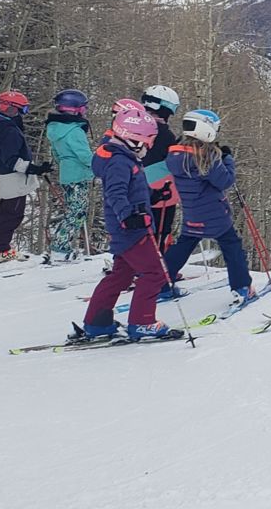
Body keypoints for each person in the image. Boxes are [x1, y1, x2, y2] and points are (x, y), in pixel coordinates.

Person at [80, 98, 173, 341]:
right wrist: (129, 217)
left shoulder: (123, 156)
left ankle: (97, 322)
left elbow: (133, 189)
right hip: (131, 230)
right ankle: (142, 322)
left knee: (121, 276)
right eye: (147, 142)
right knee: (155, 274)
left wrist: (153, 194)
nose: (149, 147)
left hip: (129, 227)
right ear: (132, 137)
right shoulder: (120, 161)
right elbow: (116, 194)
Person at [159, 108, 254, 304]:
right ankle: (242, 287)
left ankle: (161, 284)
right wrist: (227, 159)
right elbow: (225, 181)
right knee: (232, 246)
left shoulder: (175, 154)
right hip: (214, 214)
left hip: (191, 212)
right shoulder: (206, 155)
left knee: (184, 245)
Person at [0, 90, 47, 263]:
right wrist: (33, 168)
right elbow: (10, 160)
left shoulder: (2, 125)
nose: (23, 114)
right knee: (11, 215)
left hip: (11, 178)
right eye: (22, 110)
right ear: (12, 109)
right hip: (14, 179)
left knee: (7, 213)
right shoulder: (9, 130)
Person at [45, 89, 95, 263]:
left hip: (67, 173)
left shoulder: (56, 129)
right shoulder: (74, 131)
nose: (85, 111)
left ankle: (62, 244)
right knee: (78, 211)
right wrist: (99, 166)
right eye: (83, 107)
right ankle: (60, 246)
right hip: (78, 173)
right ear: (74, 109)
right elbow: (85, 155)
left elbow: (56, 154)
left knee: (74, 208)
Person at [139, 84, 182, 246]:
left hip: (136, 187)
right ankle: (157, 266)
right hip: (162, 191)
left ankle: (128, 263)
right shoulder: (164, 134)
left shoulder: (133, 127)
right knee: (160, 229)